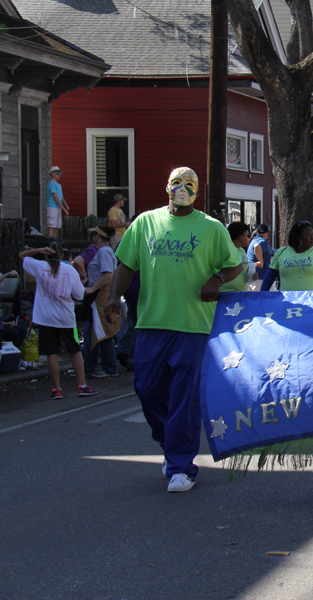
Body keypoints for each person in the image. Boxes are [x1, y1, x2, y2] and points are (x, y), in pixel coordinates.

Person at [106, 166, 243, 493]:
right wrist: (113, 297)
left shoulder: (211, 228)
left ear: (198, 190)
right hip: (151, 322)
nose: (182, 188)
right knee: (146, 388)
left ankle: (182, 465)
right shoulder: (145, 222)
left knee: (184, 397)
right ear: (167, 186)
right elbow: (126, 264)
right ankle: (170, 442)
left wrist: (218, 278)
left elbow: (235, 264)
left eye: (189, 184)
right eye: (177, 183)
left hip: (192, 325)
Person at [19, 243, 95, 399]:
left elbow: (22, 256)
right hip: (66, 318)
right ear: (62, 256)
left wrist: (38, 250)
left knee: (51, 353)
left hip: (45, 318)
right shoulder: (69, 271)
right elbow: (79, 295)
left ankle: (56, 389)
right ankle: (81, 386)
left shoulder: (40, 267)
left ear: (47, 254)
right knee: (74, 350)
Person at [82, 225, 119, 378]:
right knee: (94, 332)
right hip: (99, 294)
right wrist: (88, 280)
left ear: (98, 236)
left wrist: (92, 288)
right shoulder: (107, 251)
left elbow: (108, 274)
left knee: (102, 332)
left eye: (94, 235)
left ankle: (109, 368)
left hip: (100, 296)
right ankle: (88, 368)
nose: (92, 238)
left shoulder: (103, 251)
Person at [221, 222, 253, 293]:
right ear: (240, 236)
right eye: (246, 235)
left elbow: (244, 272)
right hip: (225, 294)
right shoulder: (224, 250)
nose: (247, 238)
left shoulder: (242, 250)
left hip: (241, 293)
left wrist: (250, 276)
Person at [46, 166, 70, 239]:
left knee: (56, 226)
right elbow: (55, 197)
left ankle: (54, 243)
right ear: (52, 174)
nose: (59, 175)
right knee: (52, 225)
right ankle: (50, 243)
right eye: (58, 173)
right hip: (52, 207)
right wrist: (64, 209)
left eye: (60, 173)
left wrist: (65, 204)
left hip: (58, 207)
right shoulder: (51, 183)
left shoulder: (59, 185)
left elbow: (61, 196)